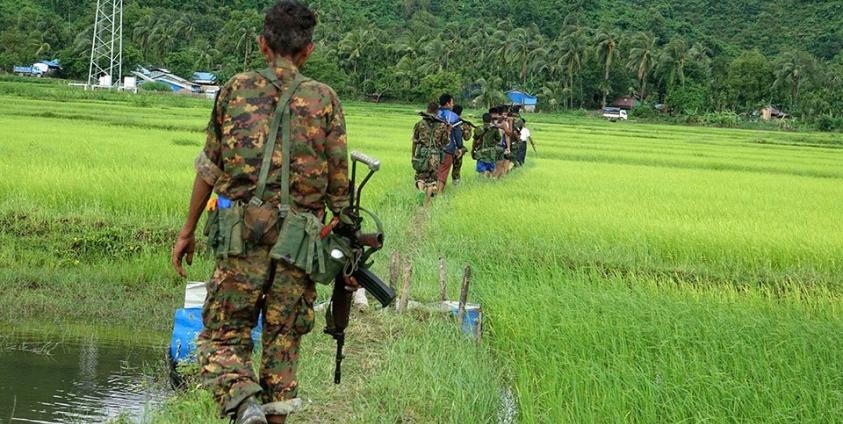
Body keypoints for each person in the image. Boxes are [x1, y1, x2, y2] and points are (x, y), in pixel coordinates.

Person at [170, 2, 352, 423]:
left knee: (221, 337)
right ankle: (263, 413)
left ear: (262, 44)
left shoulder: (234, 89)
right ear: (308, 50)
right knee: (282, 344)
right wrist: (346, 247)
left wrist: (187, 231)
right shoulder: (325, 99)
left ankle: (241, 400)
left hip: (241, 240)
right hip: (299, 246)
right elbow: (339, 186)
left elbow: (209, 167)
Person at [413, 102, 449, 206]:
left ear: (427, 109)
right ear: (437, 111)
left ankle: (421, 190)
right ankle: (426, 204)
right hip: (435, 155)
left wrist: (413, 155)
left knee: (420, 177)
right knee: (431, 181)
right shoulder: (442, 125)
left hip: (422, 153)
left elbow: (414, 141)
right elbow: (444, 142)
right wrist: (448, 131)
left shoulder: (419, 124)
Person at [436, 93, 464, 193]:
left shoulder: (434, 113)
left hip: (433, 147)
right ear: (448, 103)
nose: (453, 105)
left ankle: (430, 191)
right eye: (452, 103)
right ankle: (439, 193)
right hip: (448, 148)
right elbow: (457, 135)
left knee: (434, 170)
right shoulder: (453, 116)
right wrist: (460, 147)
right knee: (443, 171)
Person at [450, 105, 472, 185]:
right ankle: (456, 182)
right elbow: (467, 138)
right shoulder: (462, 123)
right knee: (456, 168)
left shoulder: (446, 120)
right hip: (458, 149)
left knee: (443, 168)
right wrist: (468, 130)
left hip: (447, 148)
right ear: (461, 113)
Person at [472, 113, 499, 178]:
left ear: (482, 119)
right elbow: (498, 139)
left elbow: (475, 140)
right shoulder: (494, 129)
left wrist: (473, 149)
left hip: (480, 152)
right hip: (491, 153)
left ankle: (481, 182)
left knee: (481, 171)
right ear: (490, 120)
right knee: (492, 171)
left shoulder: (478, 128)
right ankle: (491, 182)